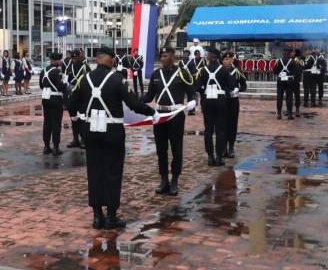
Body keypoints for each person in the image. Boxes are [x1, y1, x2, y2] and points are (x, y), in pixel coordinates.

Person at [69, 46, 157, 230]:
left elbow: (70, 103)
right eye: (113, 58)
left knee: (94, 171)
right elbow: (134, 104)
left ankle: (96, 216)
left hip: (90, 131)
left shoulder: (84, 79)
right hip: (112, 132)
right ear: (106, 59)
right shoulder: (118, 79)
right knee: (113, 171)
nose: (114, 61)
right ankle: (111, 216)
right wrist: (152, 112)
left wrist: (78, 119)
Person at [142, 47, 196, 196]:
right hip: (159, 115)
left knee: (176, 149)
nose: (162, 58)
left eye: (165, 56)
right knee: (161, 149)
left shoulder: (183, 73)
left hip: (175, 115)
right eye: (161, 56)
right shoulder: (156, 74)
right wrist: (131, 101)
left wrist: (193, 102)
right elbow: (148, 97)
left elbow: (191, 92)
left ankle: (174, 180)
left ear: (173, 56)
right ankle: (164, 179)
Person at [195, 48, 236, 167]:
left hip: (207, 101)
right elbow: (232, 86)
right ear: (217, 57)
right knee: (220, 130)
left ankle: (210, 157)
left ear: (210, 57)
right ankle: (219, 157)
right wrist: (224, 92)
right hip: (220, 101)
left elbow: (197, 86)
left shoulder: (203, 70)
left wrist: (205, 92)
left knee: (208, 130)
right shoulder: (223, 70)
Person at [39, 52, 65, 156]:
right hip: (55, 99)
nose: (61, 62)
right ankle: (56, 147)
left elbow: (41, 85)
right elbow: (59, 86)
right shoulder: (57, 71)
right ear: (55, 61)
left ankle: (46, 146)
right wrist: (65, 86)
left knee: (47, 122)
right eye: (59, 60)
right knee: (56, 124)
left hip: (45, 98)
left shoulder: (43, 70)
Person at [223, 51, 247, 159]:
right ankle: (223, 147)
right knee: (222, 124)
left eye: (228, 59)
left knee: (232, 124)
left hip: (233, 101)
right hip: (222, 101)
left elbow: (244, 85)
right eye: (224, 59)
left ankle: (231, 147)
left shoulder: (236, 71)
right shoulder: (220, 71)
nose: (226, 61)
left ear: (232, 60)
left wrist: (238, 90)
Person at [66, 49, 91, 149]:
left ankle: (83, 139)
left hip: (82, 96)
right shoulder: (69, 66)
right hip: (72, 95)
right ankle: (75, 139)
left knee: (83, 118)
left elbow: (89, 80)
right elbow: (66, 79)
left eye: (78, 57)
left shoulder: (86, 67)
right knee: (73, 118)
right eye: (74, 58)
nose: (76, 60)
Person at [273, 47, 301, 120]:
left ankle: (279, 114)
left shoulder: (278, 61)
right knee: (289, 97)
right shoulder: (293, 61)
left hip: (280, 81)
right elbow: (297, 72)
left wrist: (281, 73)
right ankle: (289, 114)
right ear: (289, 53)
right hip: (289, 81)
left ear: (283, 53)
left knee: (279, 97)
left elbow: (275, 71)